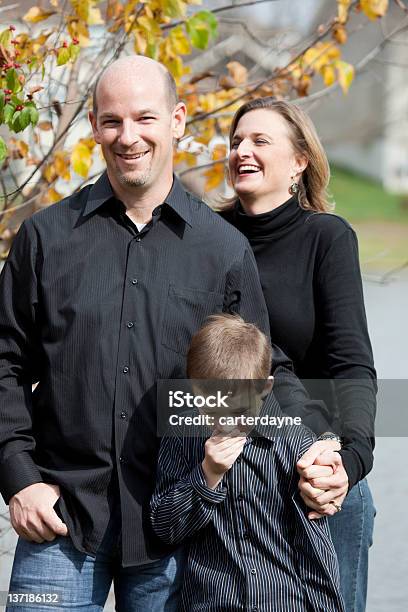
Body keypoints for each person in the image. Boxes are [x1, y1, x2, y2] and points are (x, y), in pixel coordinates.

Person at [0, 56, 277, 611]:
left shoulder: (224, 251)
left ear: (176, 121)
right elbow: (3, 362)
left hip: (177, 527)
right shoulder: (44, 238)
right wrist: (18, 479)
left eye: (144, 118)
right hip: (59, 518)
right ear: (95, 127)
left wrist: (321, 448)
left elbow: (255, 385)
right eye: (111, 121)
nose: (128, 137)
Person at [220, 97, 377, 612]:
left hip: (319, 477)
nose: (243, 149)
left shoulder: (327, 239)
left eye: (260, 140)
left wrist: (349, 460)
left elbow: (352, 362)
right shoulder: (208, 238)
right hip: (230, 480)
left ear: (299, 161)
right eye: (236, 141)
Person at [151, 313, 345, 612]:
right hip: (212, 603)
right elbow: (165, 527)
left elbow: (315, 551)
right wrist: (206, 476)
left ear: (265, 388)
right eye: (212, 409)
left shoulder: (294, 445)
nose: (226, 422)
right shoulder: (182, 438)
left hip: (286, 603)